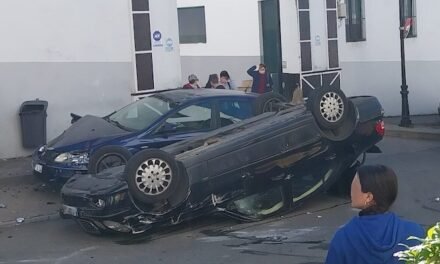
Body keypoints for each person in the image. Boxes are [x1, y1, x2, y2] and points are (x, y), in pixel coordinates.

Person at [325, 165, 425, 264]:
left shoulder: (344, 236)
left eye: (354, 186)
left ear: (369, 197)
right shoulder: (415, 232)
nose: (350, 191)